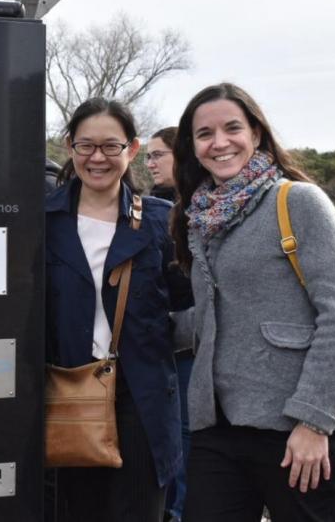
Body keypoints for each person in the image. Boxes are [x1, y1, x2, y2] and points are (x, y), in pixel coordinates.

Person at [171, 83, 335, 522]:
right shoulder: (198, 216)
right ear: (193, 146)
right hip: (217, 429)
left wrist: (314, 422)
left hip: (295, 428)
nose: (219, 142)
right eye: (204, 134)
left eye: (232, 128)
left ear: (256, 133)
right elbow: (214, 316)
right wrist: (137, 329)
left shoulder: (298, 200)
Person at [46, 98, 182, 521]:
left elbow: (188, 304)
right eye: (86, 146)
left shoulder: (162, 222)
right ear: (69, 146)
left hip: (142, 398)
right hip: (66, 391)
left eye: (111, 146)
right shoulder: (42, 221)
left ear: (133, 149)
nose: (97, 158)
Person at [146, 126, 195, 522]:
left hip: (191, 343)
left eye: (158, 154)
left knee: (185, 433)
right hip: (160, 343)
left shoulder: (201, 208)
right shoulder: (149, 207)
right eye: (147, 156)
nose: (150, 163)